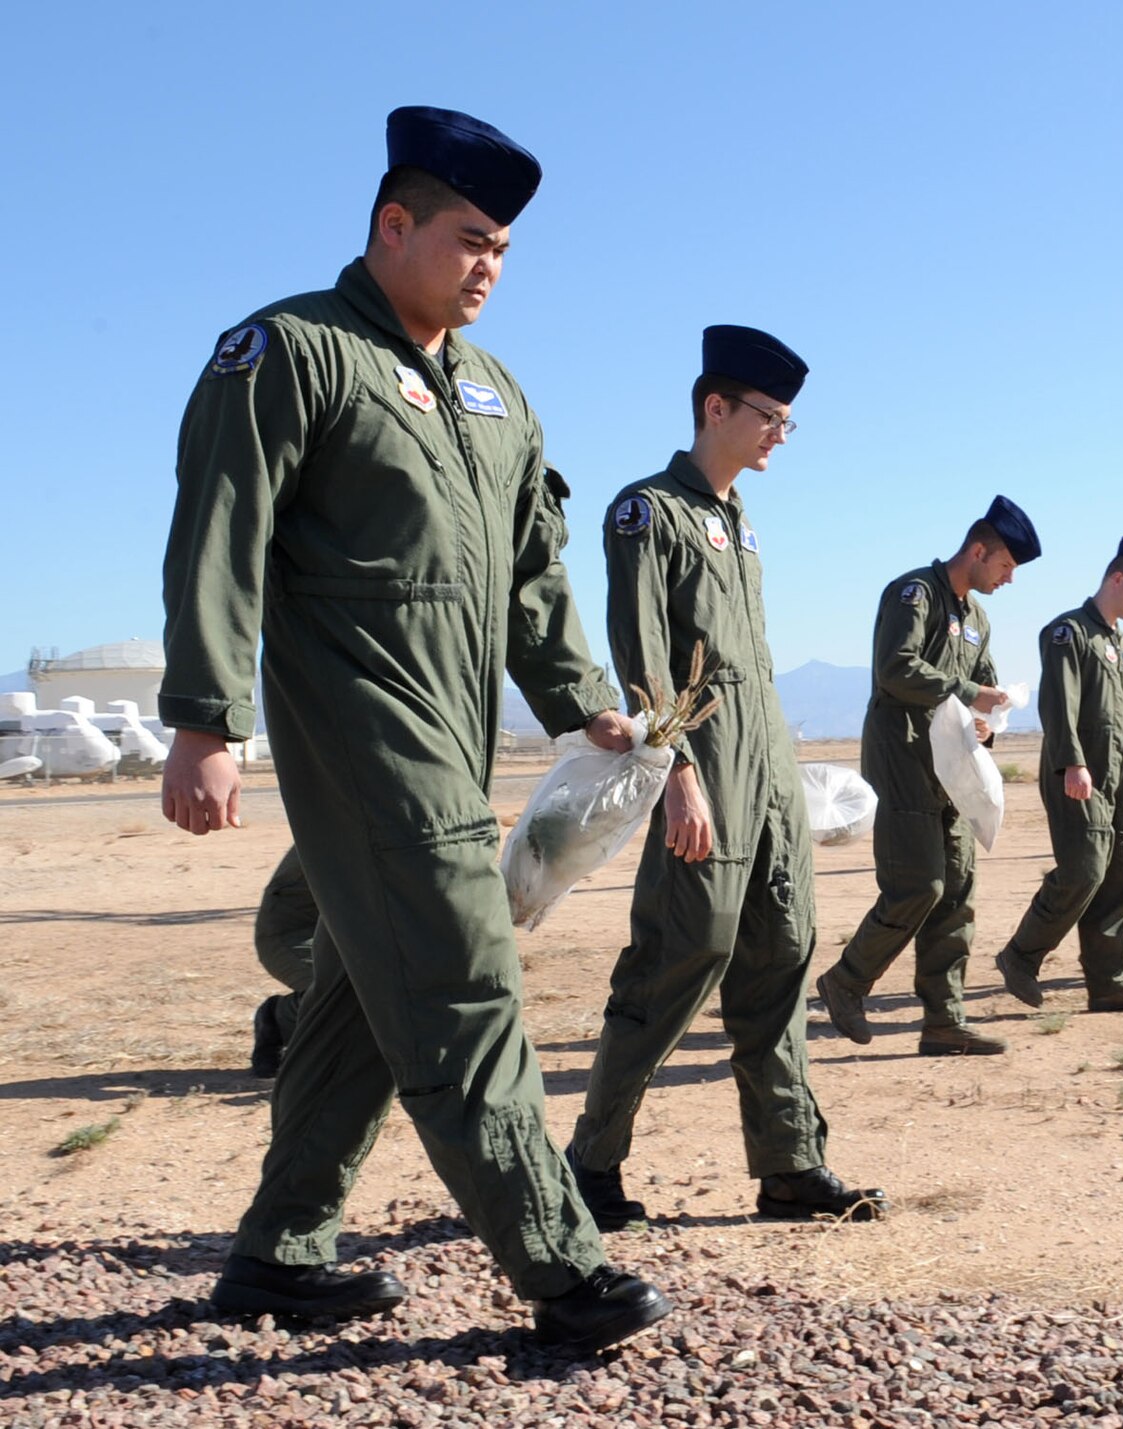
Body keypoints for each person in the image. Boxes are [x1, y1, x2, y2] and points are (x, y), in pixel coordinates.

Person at [158, 105, 668, 1355]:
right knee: (457, 973)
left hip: (457, 730)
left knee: (360, 990)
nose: (489, 266)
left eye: (503, 249)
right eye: (469, 239)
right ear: (393, 225)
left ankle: (280, 1252)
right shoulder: (292, 351)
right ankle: (562, 1271)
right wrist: (205, 721)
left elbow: (533, 568)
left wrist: (580, 698)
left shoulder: (495, 393)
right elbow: (220, 533)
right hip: (359, 725)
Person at [566, 325, 886, 1231]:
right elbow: (644, 655)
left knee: (782, 951)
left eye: (789, 421)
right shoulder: (648, 512)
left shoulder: (739, 522)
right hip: (703, 764)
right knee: (683, 952)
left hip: (769, 766)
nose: (781, 434)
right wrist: (677, 772)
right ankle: (589, 1162)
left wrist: (787, 778)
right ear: (717, 407)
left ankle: (790, 1164)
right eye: (770, 416)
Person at [816, 497, 1042, 1055]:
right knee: (919, 886)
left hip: (954, 770)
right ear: (978, 551)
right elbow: (895, 667)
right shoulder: (914, 593)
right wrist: (969, 693)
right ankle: (846, 981)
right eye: (1006, 566)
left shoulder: (978, 620)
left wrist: (988, 722)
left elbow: (984, 690)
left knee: (957, 894)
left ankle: (944, 1022)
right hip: (903, 759)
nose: (1009, 579)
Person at [994, 537, 1123, 1014]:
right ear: (1117, 579)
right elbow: (1059, 704)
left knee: (1121, 872)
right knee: (1085, 870)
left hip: (1118, 780)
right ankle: (1021, 955)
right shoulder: (1068, 633)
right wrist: (1072, 763)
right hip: (1079, 775)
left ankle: (1109, 983)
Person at [249, 847, 317, 1078]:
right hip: (294, 934)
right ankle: (278, 1020)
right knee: (357, 997)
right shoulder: (351, 827)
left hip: (344, 935)